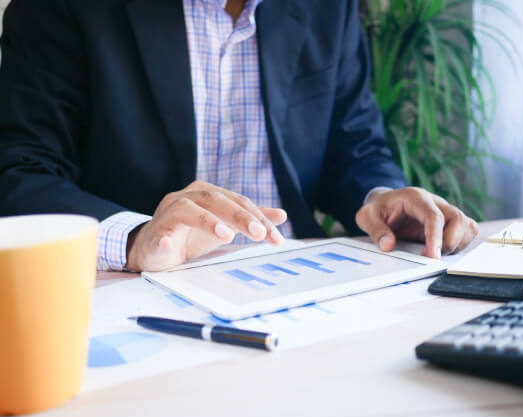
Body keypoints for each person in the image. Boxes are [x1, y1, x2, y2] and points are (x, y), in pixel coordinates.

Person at [0, 0, 478, 272]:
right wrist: (135, 238)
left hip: (300, 278)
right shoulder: (60, 6)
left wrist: (383, 197)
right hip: (135, 288)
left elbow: (353, 143)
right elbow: (21, 173)